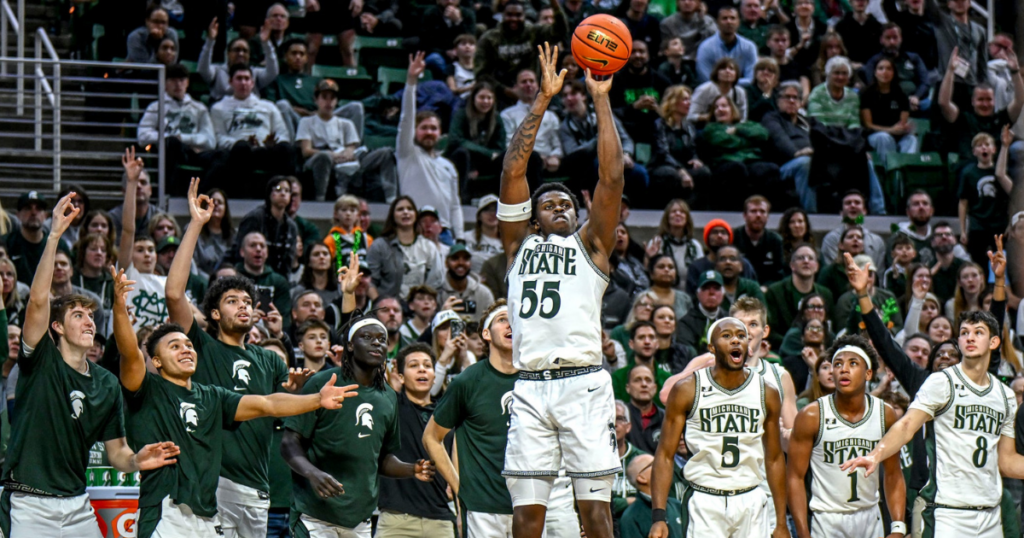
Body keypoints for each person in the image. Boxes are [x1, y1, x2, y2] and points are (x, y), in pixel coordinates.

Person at [111, 267, 355, 537]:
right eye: (175, 346)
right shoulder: (149, 389)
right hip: (167, 510)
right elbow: (129, 352)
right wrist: (120, 309)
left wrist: (317, 399)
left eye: (188, 346)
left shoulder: (213, 396)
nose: (186, 349)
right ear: (156, 361)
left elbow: (267, 404)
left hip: (207, 516)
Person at [0, 192, 180, 537]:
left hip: (78, 502)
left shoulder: (106, 383)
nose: (88, 322)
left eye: (91, 316)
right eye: (77, 315)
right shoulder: (40, 360)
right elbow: (38, 302)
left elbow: (117, 452)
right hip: (28, 502)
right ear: (56, 327)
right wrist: (54, 235)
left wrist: (136, 461)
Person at [498, 43, 622, 538]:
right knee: (527, 515)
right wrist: (543, 99)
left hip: (584, 383)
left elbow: (611, 177)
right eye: (548, 202)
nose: (559, 207)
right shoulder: (516, 247)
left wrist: (600, 98)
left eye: (567, 203)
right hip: (529, 386)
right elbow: (512, 172)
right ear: (532, 216)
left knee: (594, 511)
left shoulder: (591, 246)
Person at [841, 253, 1024, 537]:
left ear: (994, 342)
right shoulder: (937, 382)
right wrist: (876, 455)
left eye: (978, 332)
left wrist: (999, 282)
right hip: (946, 511)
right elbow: (905, 425)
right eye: (964, 332)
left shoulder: (1004, 395)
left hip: (989, 513)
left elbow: (1007, 461)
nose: (970, 337)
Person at [165, 178, 309, 538]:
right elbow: (173, 293)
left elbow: (278, 417)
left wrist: (293, 393)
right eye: (232, 301)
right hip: (216, 484)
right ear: (213, 314)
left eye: (247, 301)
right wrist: (196, 224)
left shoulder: (271, 360)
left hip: (259, 489)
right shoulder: (201, 346)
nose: (243, 306)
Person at [281, 311, 436, 537]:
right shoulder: (323, 382)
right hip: (315, 514)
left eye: (382, 339)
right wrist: (313, 473)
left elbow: (382, 458)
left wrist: (411, 469)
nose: (376, 342)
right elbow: (288, 443)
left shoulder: (388, 397)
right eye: (368, 337)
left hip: (359, 519)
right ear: (350, 346)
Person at [648, 318, 788, 537]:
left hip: (751, 498)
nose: (735, 340)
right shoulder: (687, 389)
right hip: (705, 500)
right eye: (727, 336)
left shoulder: (767, 391)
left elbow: (775, 458)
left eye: (741, 336)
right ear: (712, 348)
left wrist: (780, 521)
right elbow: (665, 454)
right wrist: (658, 516)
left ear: (748, 347)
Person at [786, 335, 906, 538]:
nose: (844, 369)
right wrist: (803, 533)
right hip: (827, 520)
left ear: (868, 373)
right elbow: (795, 477)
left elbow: (893, 474)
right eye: (838, 364)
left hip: (870, 517)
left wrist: (898, 527)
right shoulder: (811, 415)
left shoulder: (884, 413)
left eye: (853, 363)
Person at [375, 344, 456, 536]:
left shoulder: (447, 416)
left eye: (427, 365)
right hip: (396, 520)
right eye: (413, 365)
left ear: (435, 375)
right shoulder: (391, 407)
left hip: (441, 519)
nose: (422, 369)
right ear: (400, 377)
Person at [398, 53, 463, 244]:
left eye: (433, 128)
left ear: (440, 133)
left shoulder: (448, 166)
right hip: (414, 230)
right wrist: (411, 82)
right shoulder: (407, 154)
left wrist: (459, 237)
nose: (429, 132)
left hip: (444, 235)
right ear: (415, 131)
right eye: (424, 128)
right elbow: (406, 119)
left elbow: (455, 206)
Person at [137, 63, 217, 195]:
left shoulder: (199, 108)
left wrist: (184, 138)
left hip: (194, 154)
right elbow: (143, 136)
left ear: (187, 83)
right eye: (173, 80)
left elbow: (210, 140)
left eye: (181, 80)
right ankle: (170, 194)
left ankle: (201, 194)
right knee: (172, 143)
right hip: (170, 152)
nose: (178, 84)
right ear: (165, 83)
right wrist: (169, 137)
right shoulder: (156, 107)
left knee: (222, 156)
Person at [938, 47, 1023, 160]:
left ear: (994, 101)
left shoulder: (1002, 120)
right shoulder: (963, 119)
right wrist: (950, 70)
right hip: (969, 169)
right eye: (980, 100)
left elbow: (1019, 101)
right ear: (973, 101)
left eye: (989, 100)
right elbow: (944, 102)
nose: (985, 104)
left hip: (996, 171)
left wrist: (1015, 71)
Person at [698, 95, 778, 209]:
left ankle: (763, 209)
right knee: (737, 169)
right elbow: (724, 141)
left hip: (751, 161)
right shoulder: (711, 128)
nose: (719, 109)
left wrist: (738, 129)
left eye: (724, 106)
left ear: (732, 109)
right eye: (716, 107)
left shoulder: (747, 124)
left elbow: (763, 134)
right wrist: (747, 140)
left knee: (770, 168)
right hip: (725, 163)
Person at [367, 196, 446, 300]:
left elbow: (436, 284)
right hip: (389, 311)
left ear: (415, 215)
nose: (405, 212)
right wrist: (381, 307)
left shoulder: (429, 247)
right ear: (392, 215)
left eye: (410, 209)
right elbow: (369, 282)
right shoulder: (379, 246)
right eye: (400, 209)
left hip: (419, 311)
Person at [762, 81, 819, 212]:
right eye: (787, 97)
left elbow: (823, 139)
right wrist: (797, 153)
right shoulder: (771, 118)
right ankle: (810, 214)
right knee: (805, 163)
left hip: (813, 161)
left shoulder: (807, 121)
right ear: (778, 101)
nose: (792, 101)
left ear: (800, 103)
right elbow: (780, 140)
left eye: (795, 98)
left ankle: (866, 214)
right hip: (783, 167)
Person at [959, 129, 1013, 268]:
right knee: (978, 262)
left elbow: (1011, 200)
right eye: (979, 145)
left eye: (987, 144)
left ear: (994, 149)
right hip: (978, 224)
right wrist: (963, 230)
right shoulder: (968, 173)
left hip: (999, 224)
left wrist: (1010, 224)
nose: (984, 147)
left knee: (1001, 263)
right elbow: (963, 203)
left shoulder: (1002, 173)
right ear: (974, 151)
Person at [765, 244, 835, 349]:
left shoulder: (826, 294)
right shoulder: (775, 292)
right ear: (792, 265)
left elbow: (831, 327)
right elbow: (771, 331)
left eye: (810, 258)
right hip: (783, 350)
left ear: (817, 266)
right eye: (801, 258)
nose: (806, 261)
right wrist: (794, 342)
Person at [198, 17, 279, 102]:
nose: (241, 54)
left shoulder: (254, 73)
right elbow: (202, 69)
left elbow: (273, 72)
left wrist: (266, 43)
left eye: (245, 51)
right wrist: (210, 41)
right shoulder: (217, 71)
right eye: (236, 50)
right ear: (228, 53)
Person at [233, 177, 299, 278]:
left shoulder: (292, 226)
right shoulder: (254, 218)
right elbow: (239, 251)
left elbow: (288, 261)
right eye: (278, 189)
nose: (283, 193)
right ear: (269, 193)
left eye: (287, 191)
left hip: (278, 278)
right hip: (249, 275)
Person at [502, 69, 564, 177]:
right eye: (524, 82)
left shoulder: (550, 116)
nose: (528, 85)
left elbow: (557, 144)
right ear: (516, 87)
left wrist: (555, 156)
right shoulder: (507, 115)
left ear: (537, 86)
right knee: (533, 159)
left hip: (549, 163)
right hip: (522, 163)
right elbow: (509, 144)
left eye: (531, 81)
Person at [610, 40, 673, 144]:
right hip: (625, 134)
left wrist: (657, 108)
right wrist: (634, 107)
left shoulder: (662, 81)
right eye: (633, 52)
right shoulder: (616, 81)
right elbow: (610, 113)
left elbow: (673, 113)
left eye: (642, 51)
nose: (637, 55)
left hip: (657, 134)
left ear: (648, 55)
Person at [861, 57, 917, 168]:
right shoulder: (867, 94)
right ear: (875, 73)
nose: (884, 72)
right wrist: (890, 130)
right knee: (884, 137)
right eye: (880, 68)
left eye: (888, 69)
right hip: (875, 136)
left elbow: (901, 124)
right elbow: (868, 125)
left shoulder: (901, 95)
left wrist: (905, 128)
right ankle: (891, 172)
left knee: (911, 139)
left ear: (894, 73)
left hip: (896, 136)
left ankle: (907, 174)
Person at [864, 23, 933, 113]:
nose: (892, 42)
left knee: (932, 105)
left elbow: (925, 82)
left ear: (901, 39)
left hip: (914, 100)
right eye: (888, 38)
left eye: (895, 37)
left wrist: (916, 96)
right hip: (887, 101)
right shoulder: (874, 62)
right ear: (881, 40)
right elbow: (872, 85)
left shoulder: (913, 58)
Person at [643, 202, 705, 291]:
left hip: (691, 295)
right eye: (674, 211)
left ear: (687, 218)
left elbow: (701, 273)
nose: (678, 214)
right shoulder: (657, 243)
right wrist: (649, 258)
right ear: (667, 218)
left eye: (682, 212)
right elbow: (647, 274)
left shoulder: (695, 245)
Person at [619, 453, 683, 538]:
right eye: (655, 464)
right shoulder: (630, 517)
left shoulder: (677, 505)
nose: (662, 467)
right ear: (642, 478)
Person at [820, 190, 887, 270]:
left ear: (864, 211)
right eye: (848, 203)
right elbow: (831, 271)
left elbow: (879, 274)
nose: (853, 206)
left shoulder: (877, 242)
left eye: (857, 203)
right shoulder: (831, 239)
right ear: (841, 212)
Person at [695, 6, 758, 85]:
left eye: (732, 18)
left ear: (738, 22)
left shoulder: (749, 47)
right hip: (712, 93)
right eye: (725, 18)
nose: (729, 21)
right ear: (717, 22)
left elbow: (751, 79)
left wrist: (728, 83)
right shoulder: (705, 48)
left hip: (742, 92)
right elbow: (705, 79)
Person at [733, 195, 785, 284]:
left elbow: (779, 274)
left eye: (762, 211)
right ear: (745, 215)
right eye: (753, 211)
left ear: (768, 216)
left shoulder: (775, 241)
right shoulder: (733, 238)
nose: (758, 215)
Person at [437, 244, 495, 323]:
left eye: (465, 259)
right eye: (455, 258)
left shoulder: (484, 294)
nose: (461, 263)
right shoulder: (437, 292)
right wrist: (442, 315)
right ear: (446, 263)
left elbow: (492, 325)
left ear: (470, 263)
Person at [677, 270, 727, 350]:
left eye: (716, 289)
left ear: (723, 294)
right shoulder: (686, 323)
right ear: (698, 294)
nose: (711, 292)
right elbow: (687, 352)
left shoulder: (729, 320)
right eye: (706, 288)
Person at [689, 58, 749, 124]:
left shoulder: (740, 92)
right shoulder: (704, 90)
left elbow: (743, 119)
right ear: (716, 72)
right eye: (723, 68)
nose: (727, 71)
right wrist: (711, 116)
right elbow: (690, 116)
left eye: (731, 69)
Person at [833, 0, 881, 66]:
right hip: (847, 66)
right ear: (850, 2)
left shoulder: (877, 26)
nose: (860, 2)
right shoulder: (841, 27)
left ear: (867, 2)